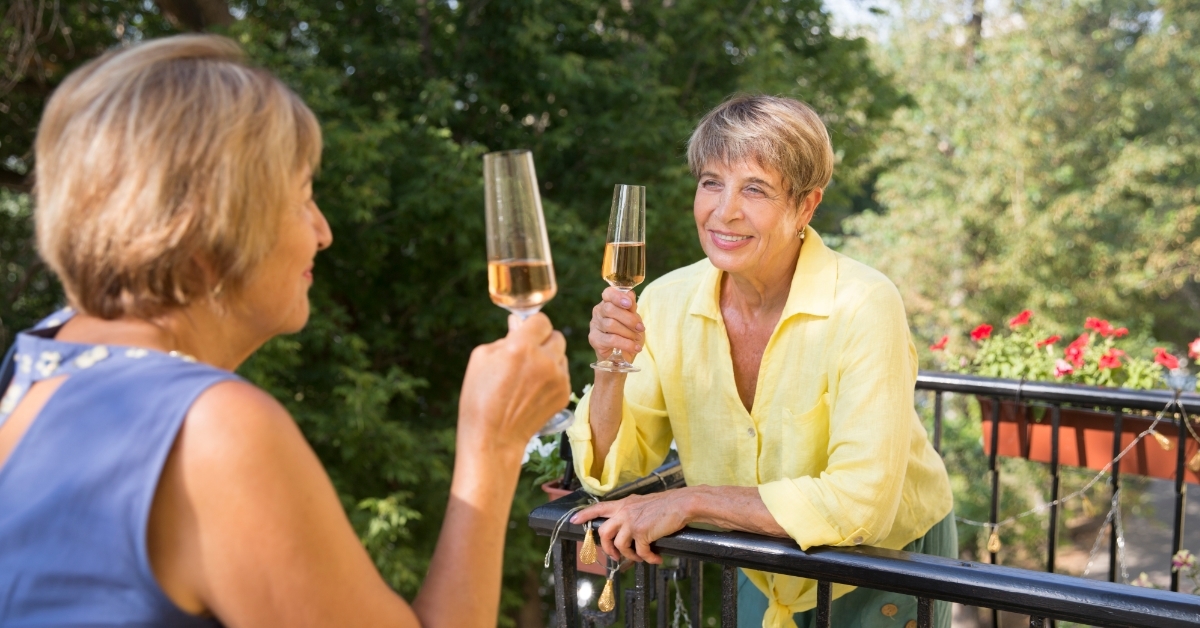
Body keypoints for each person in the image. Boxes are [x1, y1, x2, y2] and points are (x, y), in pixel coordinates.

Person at [0, 35, 570, 627]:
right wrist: (494, 447)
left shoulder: (33, 367)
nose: (322, 232)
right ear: (214, 227)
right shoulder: (212, 432)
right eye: (302, 198)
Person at [567, 95, 955, 628]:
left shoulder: (864, 302)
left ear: (806, 205)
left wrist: (692, 501)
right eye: (711, 182)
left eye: (755, 188)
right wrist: (610, 366)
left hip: (881, 568)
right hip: (761, 560)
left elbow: (860, 505)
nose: (724, 210)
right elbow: (613, 468)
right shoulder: (665, 300)